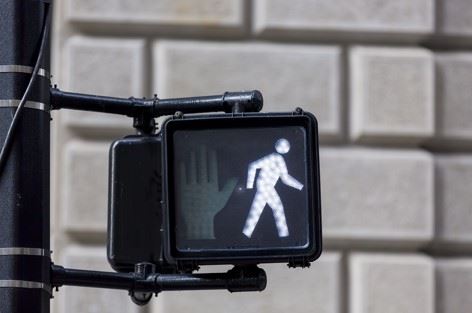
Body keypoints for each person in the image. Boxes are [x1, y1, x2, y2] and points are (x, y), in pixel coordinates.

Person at [243, 138, 303, 238]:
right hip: (264, 186)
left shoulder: (280, 160)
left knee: (257, 210)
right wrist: (249, 185)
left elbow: (285, 178)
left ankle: (246, 234)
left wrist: (300, 186)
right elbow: (252, 166)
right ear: (276, 146)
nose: (283, 148)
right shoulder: (272, 158)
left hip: (267, 186)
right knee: (277, 208)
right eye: (281, 145)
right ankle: (284, 236)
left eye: (286, 146)